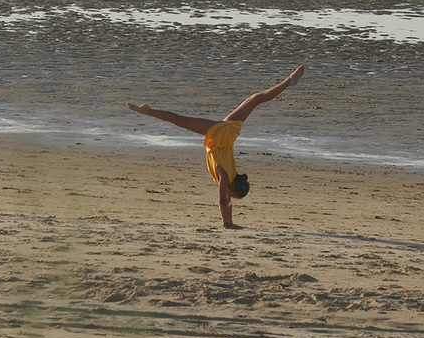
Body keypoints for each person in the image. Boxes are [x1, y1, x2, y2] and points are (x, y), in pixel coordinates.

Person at [127, 66, 304, 229]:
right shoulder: (225, 177)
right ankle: (289, 81)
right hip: (221, 136)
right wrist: (227, 224)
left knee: (254, 99)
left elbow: (226, 201)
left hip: (227, 135)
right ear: (232, 188)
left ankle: (289, 81)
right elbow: (221, 201)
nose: (228, 196)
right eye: (231, 195)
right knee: (180, 120)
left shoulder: (231, 174)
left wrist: (230, 220)